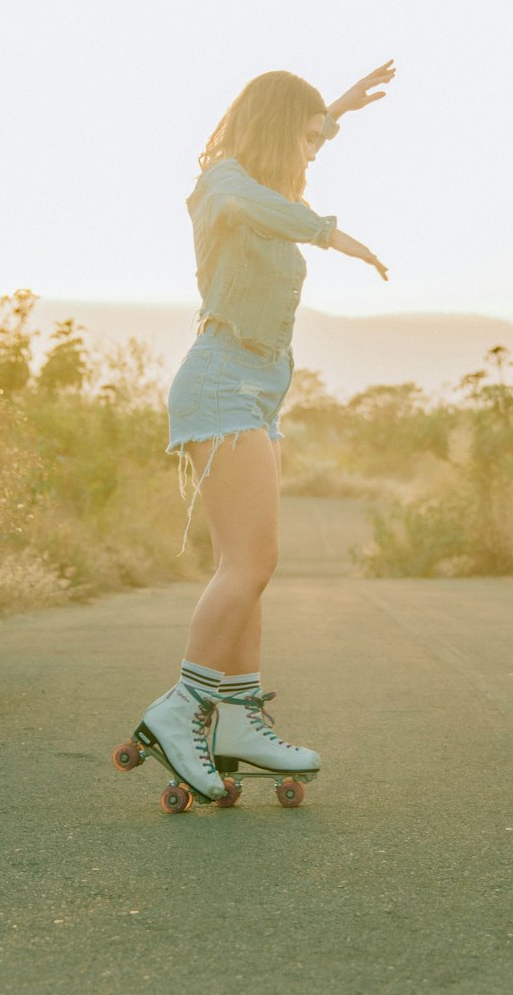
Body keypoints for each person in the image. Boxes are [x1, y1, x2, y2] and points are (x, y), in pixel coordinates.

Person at [139, 61, 395, 800]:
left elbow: (284, 173)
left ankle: (240, 716)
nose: (313, 155)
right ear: (280, 131)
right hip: (221, 384)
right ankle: (182, 708)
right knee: (249, 565)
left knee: (249, 567)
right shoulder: (223, 185)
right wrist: (329, 234)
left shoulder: (265, 186)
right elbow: (260, 199)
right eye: (307, 139)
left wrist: (335, 110)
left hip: (257, 393)